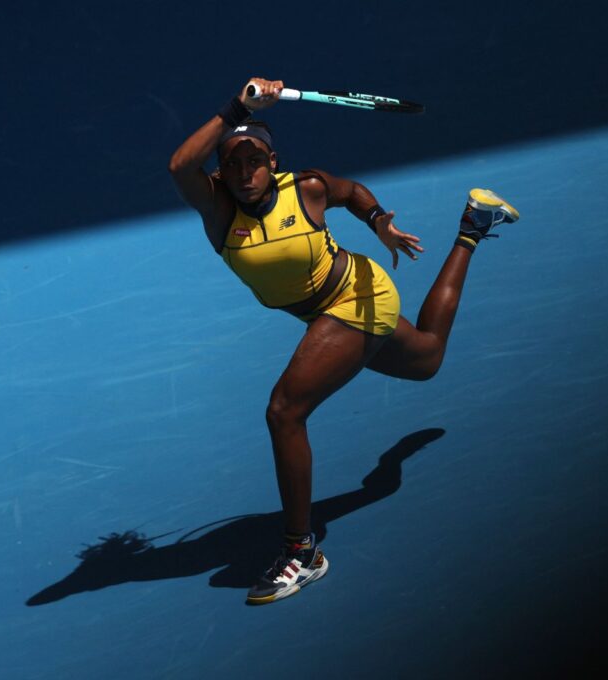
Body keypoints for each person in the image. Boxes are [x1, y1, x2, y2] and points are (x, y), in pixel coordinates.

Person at [168, 78, 519, 605]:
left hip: (355, 298)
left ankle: (301, 551)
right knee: (427, 359)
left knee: (284, 411)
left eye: (255, 161)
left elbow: (351, 192)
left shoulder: (305, 188)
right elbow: (178, 166)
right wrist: (236, 107)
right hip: (325, 315)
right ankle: (474, 224)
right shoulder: (218, 209)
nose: (245, 174)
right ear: (220, 169)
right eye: (233, 163)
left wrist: (379, 224)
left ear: (273, 160)